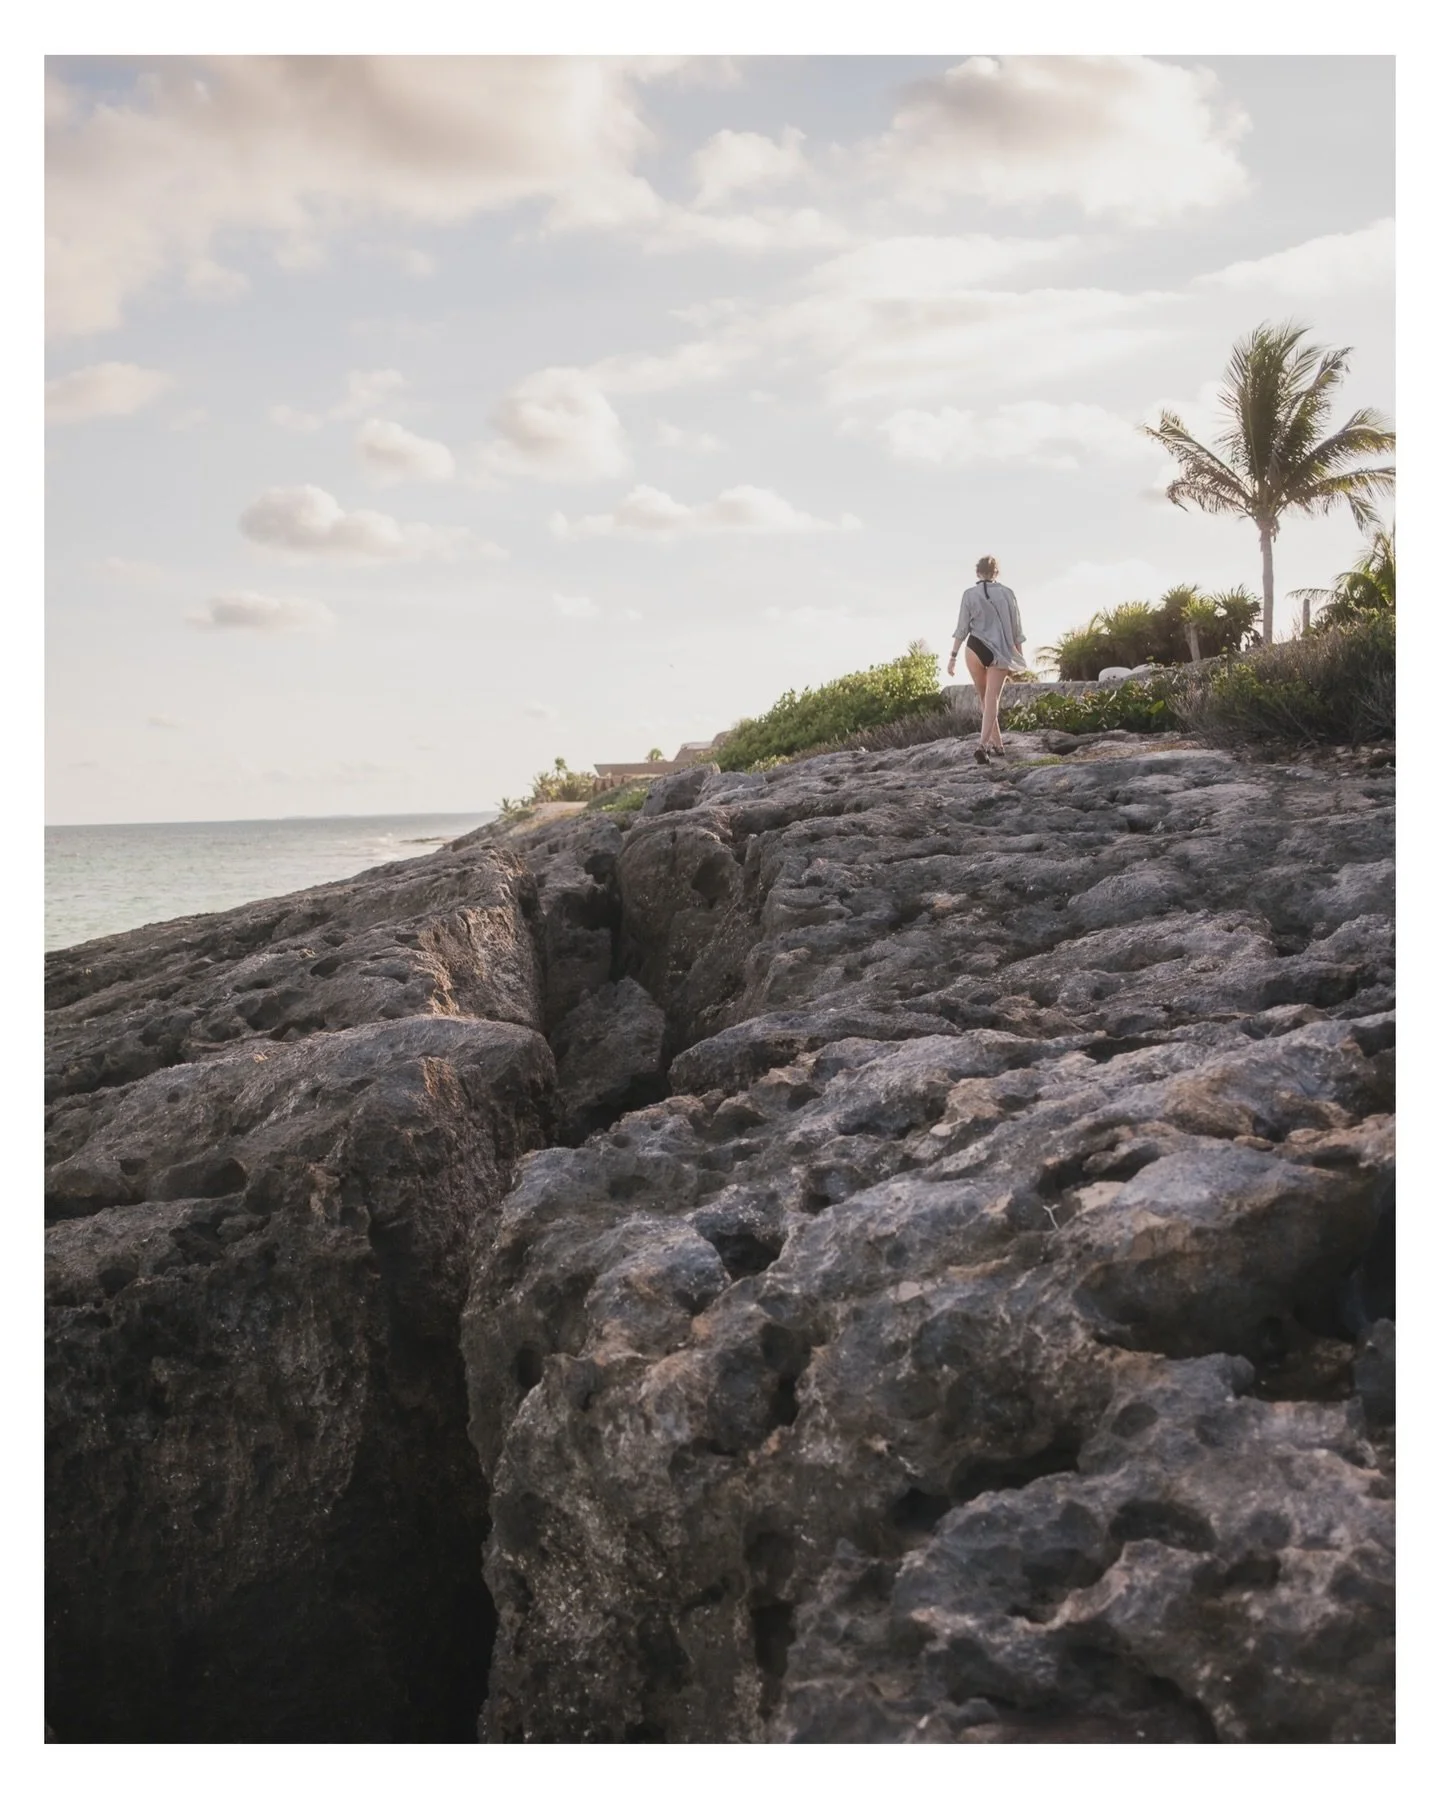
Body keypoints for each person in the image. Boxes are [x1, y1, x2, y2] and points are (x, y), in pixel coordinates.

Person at [946, 555, 1027, 763]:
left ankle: (998, 744)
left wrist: (953, 657)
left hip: (974, 648)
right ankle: (983, 745)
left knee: (985, 700)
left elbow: (962, 628)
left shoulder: (969, 594)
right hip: (999, 651)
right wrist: (1019, 655)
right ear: (996, 572)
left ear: (977, 572)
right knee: (992, 700)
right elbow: (1017, 630)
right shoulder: (1007, 593)